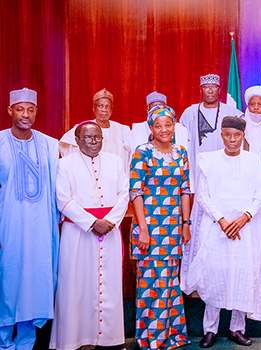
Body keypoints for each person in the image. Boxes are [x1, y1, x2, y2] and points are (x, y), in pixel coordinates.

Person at [183, 117, 261, 348]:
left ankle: (236, 329)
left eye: (237, 135)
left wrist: (244, 218)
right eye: (227, 135)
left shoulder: (254, 162)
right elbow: (202, 196)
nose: (232, 140)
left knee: (242, 277)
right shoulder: (209, 161)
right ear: (221, 135)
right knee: (215, 277)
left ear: (243, 136)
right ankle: (210, 330)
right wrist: (223, 221)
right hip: (217, 229)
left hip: (246, 230)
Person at [50, 121, 129, 350]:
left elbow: (123, 195)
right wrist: (92, 222)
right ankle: (75, 339)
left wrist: (110, 221)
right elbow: (63, 200)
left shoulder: (115, 162)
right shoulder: (65, 165)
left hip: (110, 231)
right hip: (78, 234)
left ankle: (110, 340)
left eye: (98, 137)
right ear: (77, 140)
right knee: (76, 284)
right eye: (88, 138)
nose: (94, 142)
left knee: (110, 284)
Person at [0, 88, 59, 350]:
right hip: (8, 226)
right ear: (10, 110)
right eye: (20, 109)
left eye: (31, 109)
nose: (26, 115)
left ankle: (26, 342)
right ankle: (3, 341)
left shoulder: (49, 144)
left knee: (36, 278)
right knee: (9, 278)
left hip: (40, 227)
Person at [130, 106, 192, 350]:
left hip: (174, 228)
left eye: (168, 124)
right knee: (150, 283)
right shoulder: (142, 152)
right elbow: (135, 192)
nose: (164, 130)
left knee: (169, 282)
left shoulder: (181, 152)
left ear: (174, 125)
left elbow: (185, 190)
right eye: (158, 126)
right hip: (149, 226)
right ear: (151, 128)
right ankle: (150, 337)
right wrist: (143, 229)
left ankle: (172, 334)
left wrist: (185, 224)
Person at [179, 74, 243, 192]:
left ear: (219, 90)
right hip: (197, 165)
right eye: (206, 87)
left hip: (224, 165)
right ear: (201, 90)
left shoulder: (231, 112)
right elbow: (180, 139)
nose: (210, 90)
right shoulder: (190, 113)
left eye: (213, 87)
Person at [59, 88, 131, 171]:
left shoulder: (123, 130)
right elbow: (64, 145)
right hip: (92, 173)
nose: (104, 110)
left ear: (111, 109)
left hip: (116, 175)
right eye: (100, 106)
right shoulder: (84, 128)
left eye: (107, 106)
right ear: (94, 108)